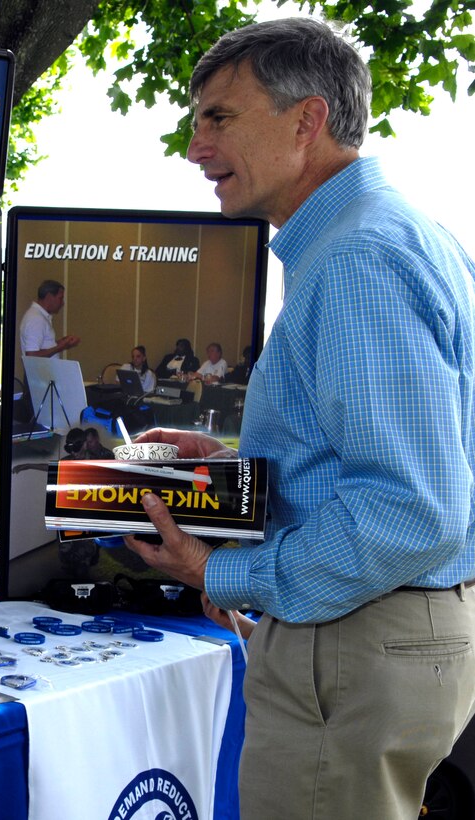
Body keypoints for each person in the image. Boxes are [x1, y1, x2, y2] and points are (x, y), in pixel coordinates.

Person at [123, 19, 475, 820]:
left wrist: (220, 573)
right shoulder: (387, 236)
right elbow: (392, 462)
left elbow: (409, 509)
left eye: (218, 118)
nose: (193, 145)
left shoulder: (357, 258)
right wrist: (235, 460)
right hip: (380, 635)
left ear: (306, 121)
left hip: (354, 637)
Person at [20, 279, 80, 357]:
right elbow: (32, 356)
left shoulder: (38, 316)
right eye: (60, 298)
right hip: (40, 369)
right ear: (49, 297)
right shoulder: (36, 319)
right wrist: (60, 347)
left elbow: (44, 347)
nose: (62, 303)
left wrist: (64, 343)